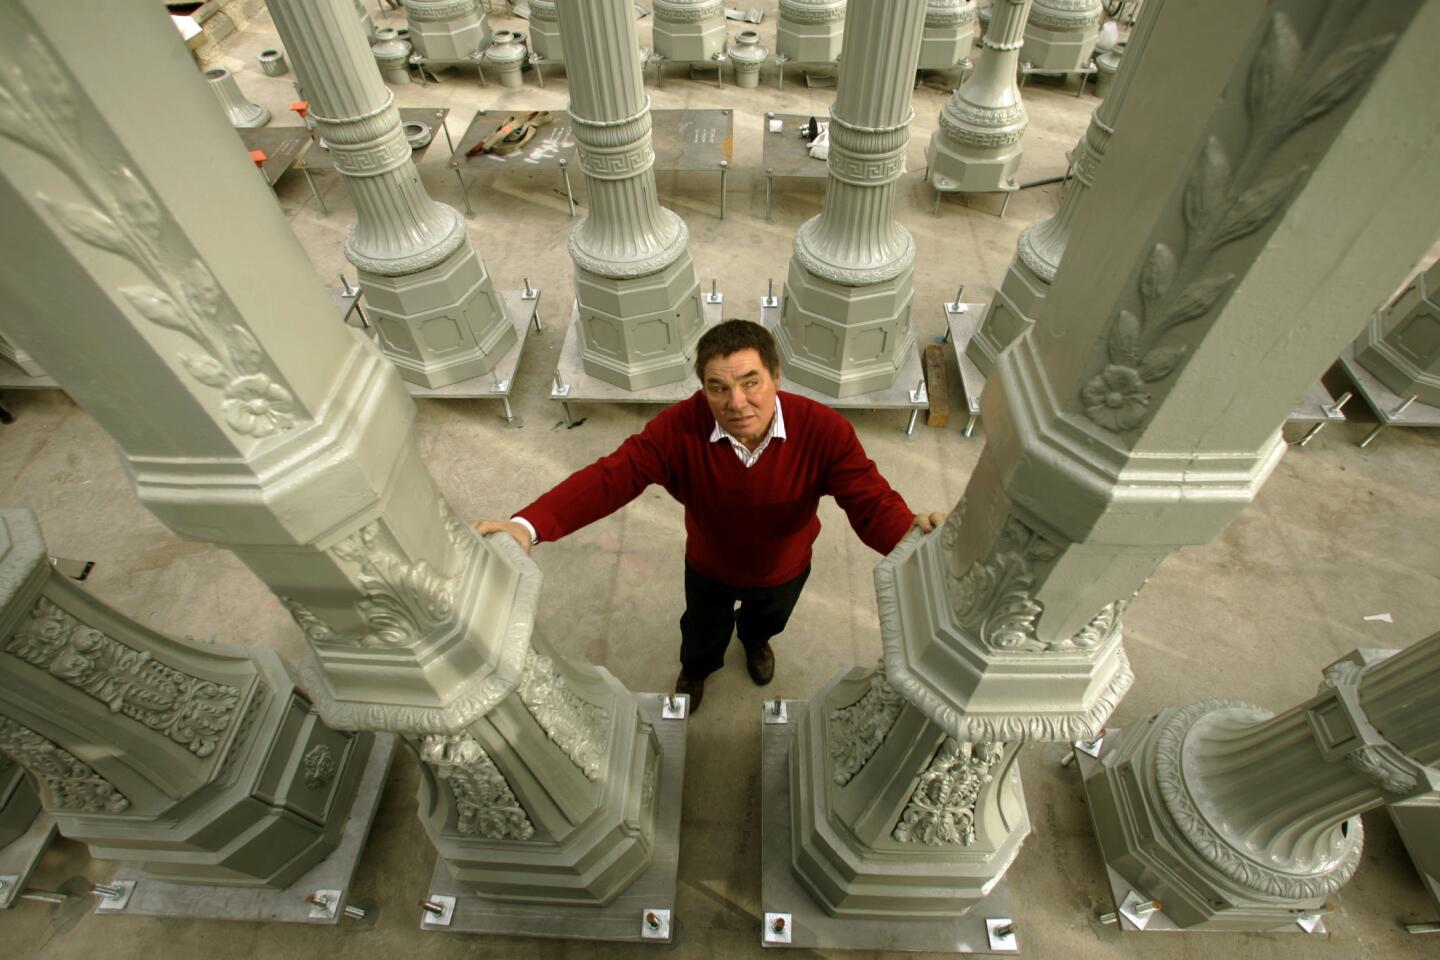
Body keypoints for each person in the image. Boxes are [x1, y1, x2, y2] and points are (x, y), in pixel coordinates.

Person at [472, 320, 945, 713]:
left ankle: (757, 644)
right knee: (701, 631)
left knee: (767, 623)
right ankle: (698, 669)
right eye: (718, 388)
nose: (736, 403)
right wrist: (528, 525)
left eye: (750, 382)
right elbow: (610, 478)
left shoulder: (824, 431)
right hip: (709, 568)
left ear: (776, 376)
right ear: (702, 388)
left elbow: (870, 501)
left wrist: (911, 536)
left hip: (785, 568)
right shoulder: (676, 430)